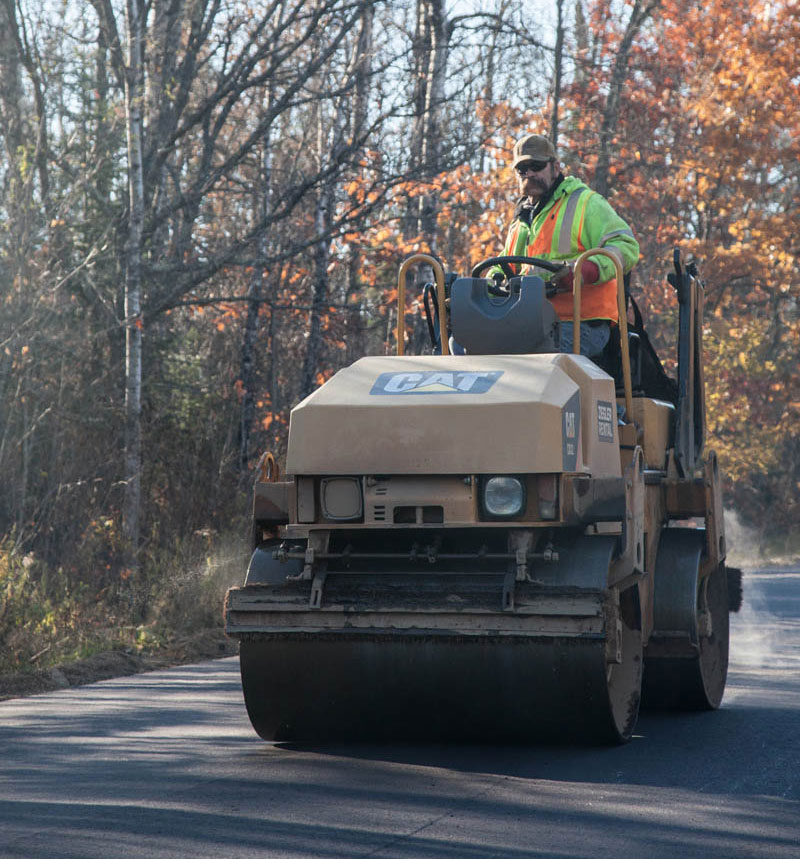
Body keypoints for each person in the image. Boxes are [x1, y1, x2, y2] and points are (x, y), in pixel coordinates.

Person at [492, 133, 639, 358]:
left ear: (556, 167)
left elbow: (626, 246)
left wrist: (585, 271)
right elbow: (505, 266)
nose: (529, 174)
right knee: (468, 346)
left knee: (530, 359)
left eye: (536, 165)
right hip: (531, 325)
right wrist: (485, 284)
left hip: (582, 324)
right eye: (522, 170)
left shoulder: (585, 203)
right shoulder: (521, 222)